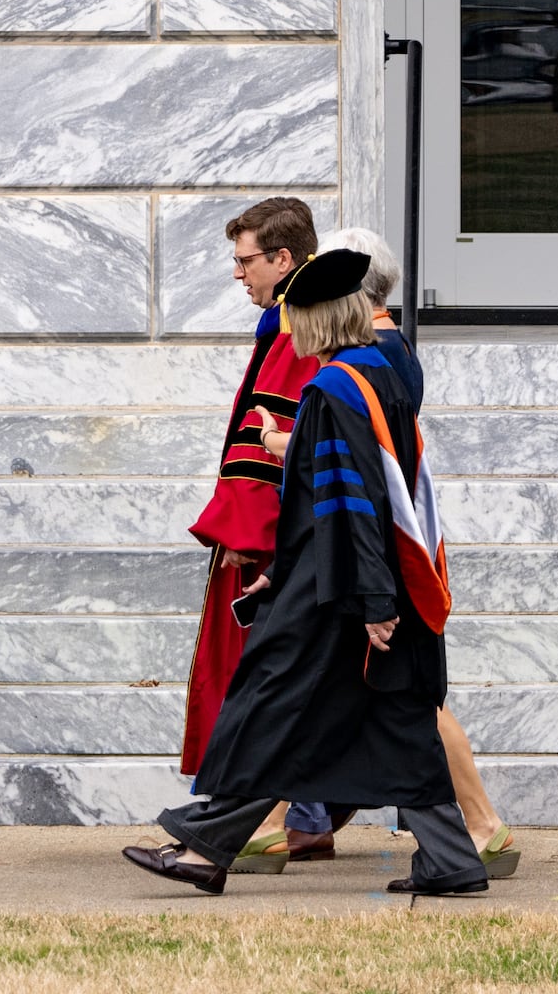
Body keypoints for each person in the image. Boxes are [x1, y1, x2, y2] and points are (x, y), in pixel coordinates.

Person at [123, 247, 490, 898]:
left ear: (320, 317)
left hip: (340, 591)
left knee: (267, 703)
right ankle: (452, 859)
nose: (290, 326)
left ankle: (207, 845)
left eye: (297, 313)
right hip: (353, 579)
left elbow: (352, 502)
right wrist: (286, 570)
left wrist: (373, 600)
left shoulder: (334, 390)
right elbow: (346, 493)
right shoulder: (385, 369)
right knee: (398, 722)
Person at [235, 228, 519, 881]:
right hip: (372, 558)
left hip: (373, 558)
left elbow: (360, 467)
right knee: (333, 696)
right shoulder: (384, 352)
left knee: (398, 706)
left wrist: (287, 445)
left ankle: (477, 828)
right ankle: (275, 825)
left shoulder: (367, 362)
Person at [184, 198, 325, 805]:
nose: (238, 274)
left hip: (274, 543)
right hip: (304, 537)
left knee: (265, 676)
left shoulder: (296, 330)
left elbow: (267, 441)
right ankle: (306, 818)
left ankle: (260, 821)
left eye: (246, 262)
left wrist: (244, 535)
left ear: (283, 258)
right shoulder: (302, 321)